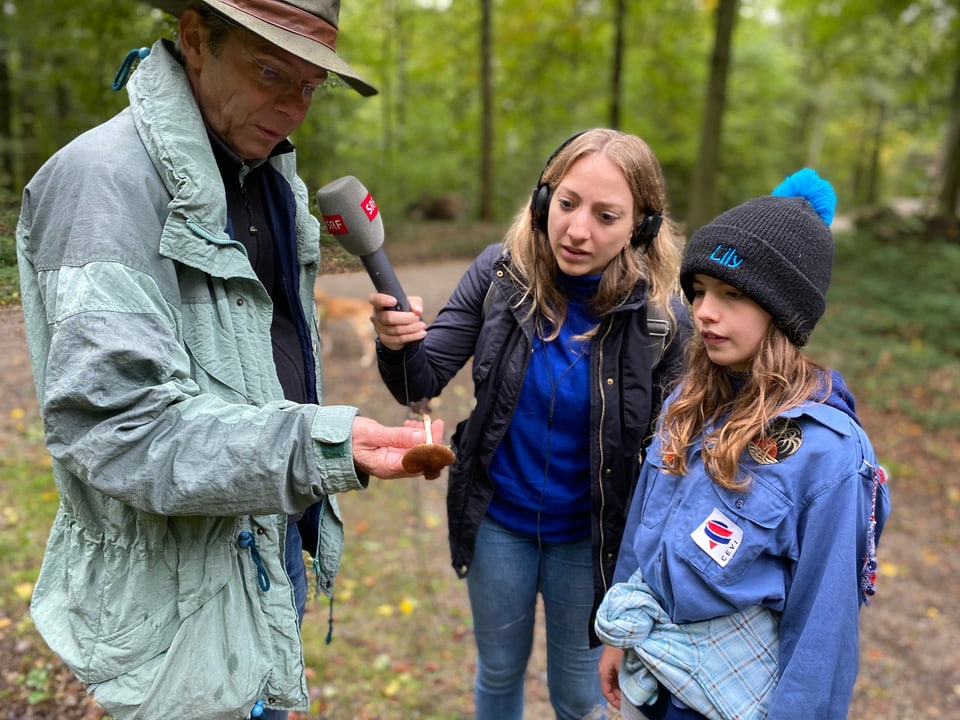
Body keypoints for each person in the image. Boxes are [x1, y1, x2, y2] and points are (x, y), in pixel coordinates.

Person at [15, 2, 444, 719]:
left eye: (311, 86)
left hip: (263, 543)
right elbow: (121, 427)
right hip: (173, 591)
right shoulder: (105, 184)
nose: (293, 107)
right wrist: (319, 444)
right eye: (273, 71)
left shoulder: (265, 178)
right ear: (194, 38)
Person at [369, 128, 692, 720]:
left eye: (606, 215)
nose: (577, 230)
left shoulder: (662, 316)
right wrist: (396, 344)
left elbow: (676, 462)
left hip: (590, 541)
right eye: (567, 204)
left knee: (578, 694)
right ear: (544, 200)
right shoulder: (501, 274)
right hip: (498, 524)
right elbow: (421, 381)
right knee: (498, 672)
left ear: (640, 228)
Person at [595, 169, 892, 720]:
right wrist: (620, 630)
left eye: (732, 295)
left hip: (726, 699)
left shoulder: (828, 455)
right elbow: (645, 527)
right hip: (653, 676)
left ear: (783, 313)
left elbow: (822, 636)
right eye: (701, 291)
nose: (705, 311)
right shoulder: (688, 399)